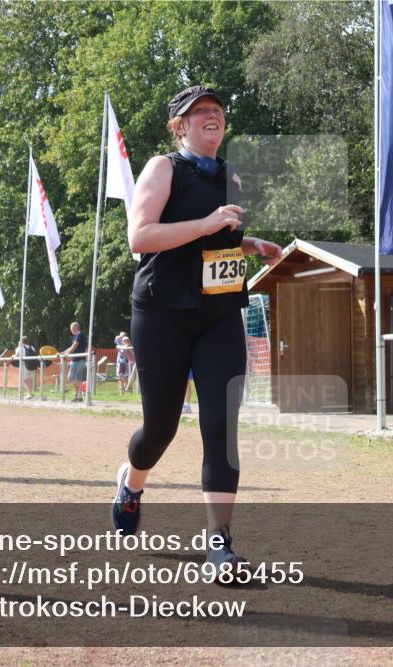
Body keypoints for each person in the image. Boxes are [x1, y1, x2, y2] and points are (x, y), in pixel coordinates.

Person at [112, 84, 283, 570]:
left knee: (221, 427)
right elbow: (140, 237)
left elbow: (215, 244)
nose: (212, 116)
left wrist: (248, 245)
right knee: (159, 429)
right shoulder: (163, 168)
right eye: (199, 112)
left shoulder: (232, 177)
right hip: (162, 314)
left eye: (217, 110)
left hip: (219, 314)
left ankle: (219, 543)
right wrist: (209, 224)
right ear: (180, 125)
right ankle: (132, 482)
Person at [62, 322, 87, 401]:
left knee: (77, 379)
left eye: (71, 328)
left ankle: (79, 395)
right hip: (75, 360)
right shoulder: (77, 336)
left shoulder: (80, 335)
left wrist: (66, 355)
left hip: (79, 360)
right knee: (71, 378)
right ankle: (79, 395)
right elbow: (71, 347)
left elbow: (74, 346)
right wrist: (62, 353)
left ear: (74, 328)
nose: (70, 330)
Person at [12, 336, 38, 400]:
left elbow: (16, 355)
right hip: (33, 365)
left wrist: (13, 355)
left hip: (25, 364)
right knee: (30, 380)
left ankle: (30, 393)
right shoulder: (32, 347)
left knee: (22, 380)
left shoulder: (20, 348)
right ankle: (29, 394)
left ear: (21, 341)